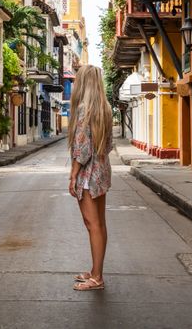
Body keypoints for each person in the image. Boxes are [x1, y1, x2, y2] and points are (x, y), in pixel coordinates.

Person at [68, 65, 112, 291]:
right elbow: (109, 145)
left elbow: (82, 150)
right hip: (101, 172)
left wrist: (73, 173)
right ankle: (95, 271)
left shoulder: (85, 109)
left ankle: (96, 278)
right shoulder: (105, 108)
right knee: (100, 224)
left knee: (92, 224)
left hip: (87, 174)